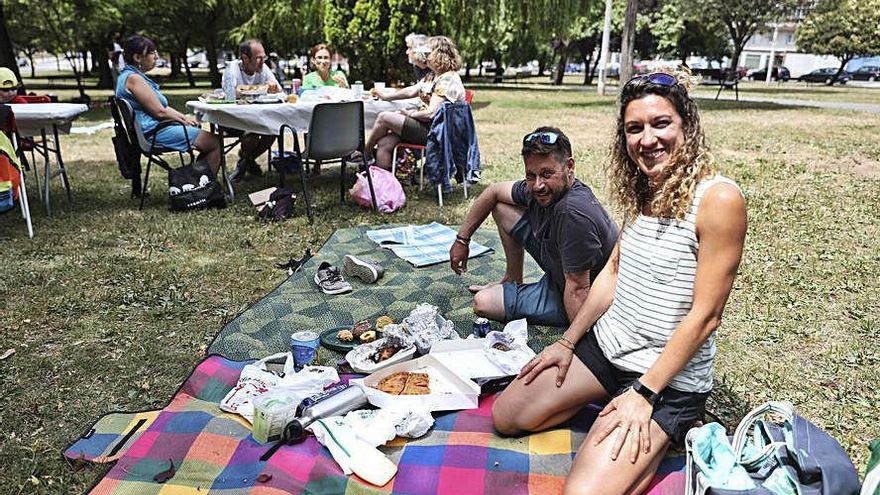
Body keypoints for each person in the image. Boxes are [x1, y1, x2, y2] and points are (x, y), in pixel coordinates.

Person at [492, 69, 748, 495]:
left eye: (660, 123)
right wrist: (569, 341)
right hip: (608, 350)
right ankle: (612, 417)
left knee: (582, 493)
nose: (646, 139)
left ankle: (665, 432)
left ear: (687, 124)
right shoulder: (646, 186)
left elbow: (706, 316)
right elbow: (612, 272)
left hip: (666, 378)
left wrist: (643, 393)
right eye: (634, 128)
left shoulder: (719, 199)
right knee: (506, 416)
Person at [449, 126, 618, 327]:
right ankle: (513, 277)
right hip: (560, 271)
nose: (538, 185)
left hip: (586, 295)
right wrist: (462, 240)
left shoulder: (572, 212)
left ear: (569, 167)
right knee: (502, 207)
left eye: (547, 174)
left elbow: (578, 289)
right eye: (531, 175)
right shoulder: (541, 189)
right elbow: (493, 192)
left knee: (483, 302)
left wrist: (574, 344)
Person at [115, 35, 221, 173]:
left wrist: (184, 118)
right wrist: (183, 121)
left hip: (153, 130)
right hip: (154, 133)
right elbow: (159, 112)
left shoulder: (128, 76)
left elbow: (162, 108)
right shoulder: (134, 79)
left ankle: (197, 182)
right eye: (152, 52)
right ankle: (202, 187)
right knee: (215, 142)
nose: (156, 57)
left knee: (210, 141)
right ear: (137, 57)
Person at [361, 36, 466, 170]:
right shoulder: (434, 75)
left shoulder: (446, 80)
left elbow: (431, 114)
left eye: (428, 54)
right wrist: (387, 97)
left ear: (438, 55)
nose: (425, 57)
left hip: (437, 132)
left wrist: (409, 114)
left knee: (384, 117)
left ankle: (365, 152)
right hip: (428, 127)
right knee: (385, 142)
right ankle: (383, 185)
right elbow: (412, 91)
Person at [222, 39, 281, 182]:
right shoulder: (231, 69)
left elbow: (278, 89)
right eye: (258, 58)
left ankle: (245, 161)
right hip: (233, 119)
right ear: (244, 58)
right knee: (252, 135)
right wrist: (261, 89)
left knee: (273, 131)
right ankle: (248, 163)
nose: (262, 61)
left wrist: (272, 87)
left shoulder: (263, 68)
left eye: (264, 57)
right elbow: (231, 94)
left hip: (257, 118)